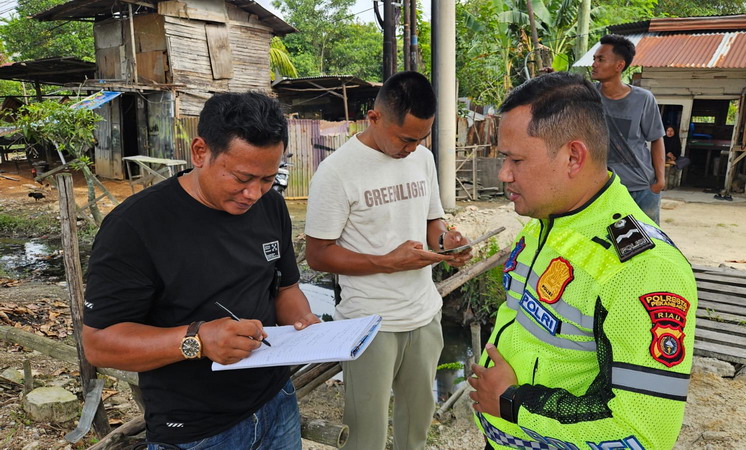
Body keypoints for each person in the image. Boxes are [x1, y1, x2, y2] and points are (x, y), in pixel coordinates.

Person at [468, 72, 697, 449]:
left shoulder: (643, 268)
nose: (504, 174)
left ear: (573, 157)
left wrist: (513, 403)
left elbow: (643, 433)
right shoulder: (545, 223)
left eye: (516, 159)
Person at [83, 92, 320, 449]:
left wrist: (304, 324)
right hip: (196, 430)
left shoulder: (271, 206)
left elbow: (286, 289)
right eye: (242, 178)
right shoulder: (136, 227)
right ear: (199, 152)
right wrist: (198, 340)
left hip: (276, 401)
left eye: (268, 179)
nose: (254, 193)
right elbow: (99, 344)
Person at [304, 71, 471, 450]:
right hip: (369, 324)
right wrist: (388, 261)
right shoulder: (336, 171)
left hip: (425, 315)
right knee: (367, 436)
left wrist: (447, 241)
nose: (412, 148)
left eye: (421, 138)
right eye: (405, 139)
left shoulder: (423, 159)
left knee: (416, 430)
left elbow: (433, 222)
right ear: (374, 118)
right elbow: (318, 255)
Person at [592, 34, 666, 224]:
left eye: (600, 59)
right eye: (594, 59)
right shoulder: (588, 95)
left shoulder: (643, 98)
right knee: (605, 240)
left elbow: (656, 138)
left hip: (641, 188)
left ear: (619, 65)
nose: (594, 64)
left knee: (647, 239)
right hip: (603, 189)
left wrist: (660, 181)